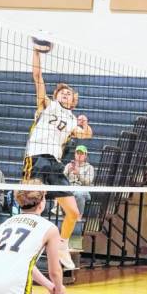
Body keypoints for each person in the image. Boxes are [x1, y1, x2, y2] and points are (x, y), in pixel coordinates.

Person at [22, 38, 93, 270]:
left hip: (55, 164)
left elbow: (86, 136)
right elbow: (37, 77)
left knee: (73, 212)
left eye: (68, 93)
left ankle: (62, 245)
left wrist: (86, 123)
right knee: (30, 205)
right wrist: (36, 53)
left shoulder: (72, 119)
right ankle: (23, 245)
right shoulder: (47, 105)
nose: (64, 94)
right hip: (36, 158)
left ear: (73, 100)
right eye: (62, 91)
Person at [63, 145, 94, 215]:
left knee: (79, 193)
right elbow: (61, 179)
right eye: (77, 153)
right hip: (70, 189)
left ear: (85, 156)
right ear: (75, 154)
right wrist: (67, 172)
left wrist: (78, 174)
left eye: (82, 153)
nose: (79, 155)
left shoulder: (90, 167)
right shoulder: (69, 165)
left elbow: (88, 183)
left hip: (83, 190)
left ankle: (78, 216)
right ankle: (64, 213)